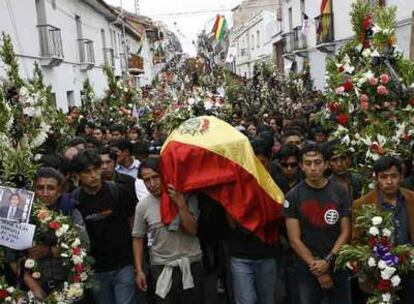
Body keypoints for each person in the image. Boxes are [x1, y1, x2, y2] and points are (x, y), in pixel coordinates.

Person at [284, 144, 352, 304]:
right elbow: (294, 239)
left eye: (317, 162)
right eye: (308, 163)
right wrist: (317, 268)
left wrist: (328, 261)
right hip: (307, 267)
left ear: (326, 164)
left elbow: (346, 231)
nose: (313, 168)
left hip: (337, 263)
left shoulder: (341, 191)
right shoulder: (293, 196)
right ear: (301, 166)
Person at [132, 158, 203, 304]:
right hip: (161, 267)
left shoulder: (187, 197)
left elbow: (192, 230)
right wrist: (139, 271)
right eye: (147, 180)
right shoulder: (143, 206)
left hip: (190, 265)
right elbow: (137, 238)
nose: (152, 184)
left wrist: (181, 205)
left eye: (156, 177)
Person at [71, 149, 137, 304]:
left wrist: (136, 259)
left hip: (123, 263)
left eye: (96, 169)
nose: (93, 175)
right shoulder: (75, 200)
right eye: (88, 172)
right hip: (96, 269)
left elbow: (132, 220)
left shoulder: (117, 191)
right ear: (78, 175)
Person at [352, 156, 414, 302]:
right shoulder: (362, 204)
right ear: (376, 179)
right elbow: (356, 241)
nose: (389, 181)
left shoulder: (412, 199)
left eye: (394, 176)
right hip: (377, 276)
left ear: (401, 177)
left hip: (410, 271)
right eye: (383, 177)